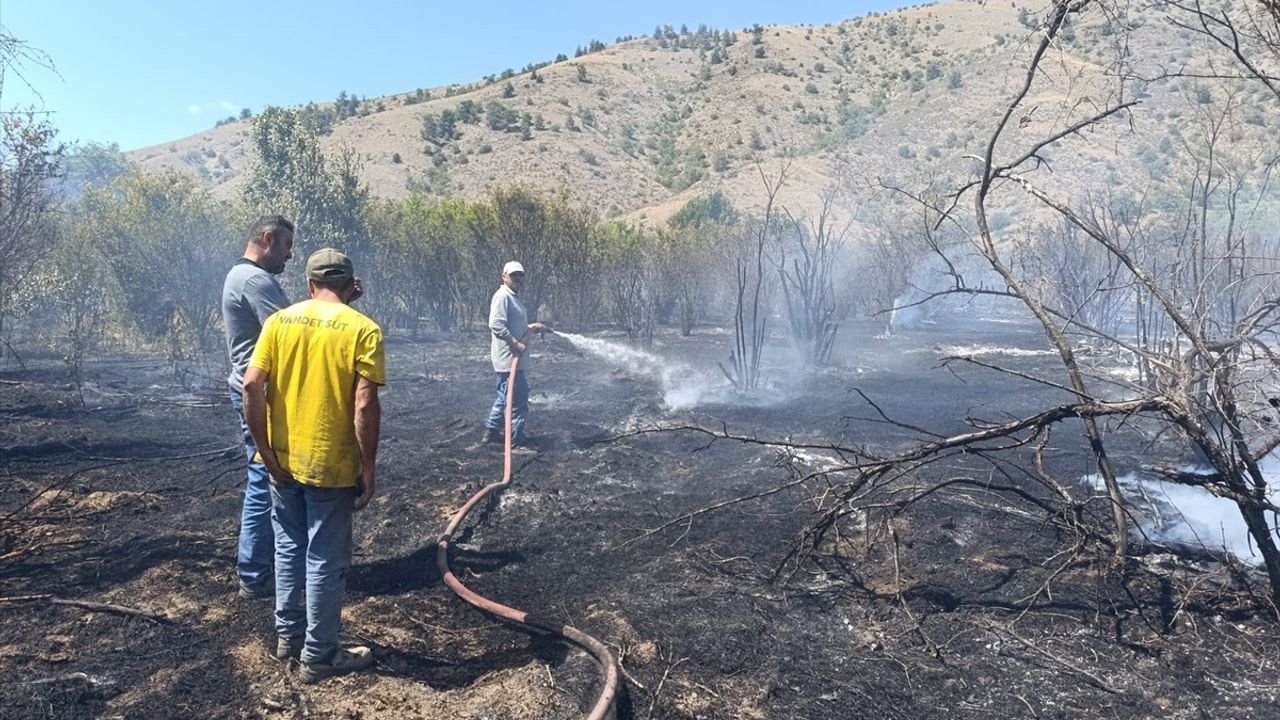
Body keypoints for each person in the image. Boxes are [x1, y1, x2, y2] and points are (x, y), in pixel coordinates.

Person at [242, 248, 385, 683]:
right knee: (324, 556)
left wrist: (266, 453)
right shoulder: (364, 330)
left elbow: (251, 384)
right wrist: (369, 465)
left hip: (283, 461)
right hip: (330, 464)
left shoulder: (279, 322)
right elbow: (364, 403)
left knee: (287, 546)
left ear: (308, 284)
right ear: (349, 284)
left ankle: (288, 637)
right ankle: (320, 655)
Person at [221, 214, 293, 600]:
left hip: (252, 389)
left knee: (263, 475)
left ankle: (261, 566)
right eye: (286, 247)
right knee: (266, 478)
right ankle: (253, 574)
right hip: (258, 393)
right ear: (268, 238)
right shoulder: (255, 280)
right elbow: (292, 333)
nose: (288, 257)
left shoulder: (242, 276)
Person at [485, 260, 544, 446]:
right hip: (509, 358)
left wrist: (530, 328)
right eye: (513, 275)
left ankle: (492, 432)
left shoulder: (513, 297)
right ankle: (514, 439)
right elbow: (495, 324)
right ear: (504, 277)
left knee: (506, 396)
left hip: (514, 359)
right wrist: (514, 343)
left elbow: (513, 324)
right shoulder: (502, 296)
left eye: (520, 275)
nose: (518, 278)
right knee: (517, 398)